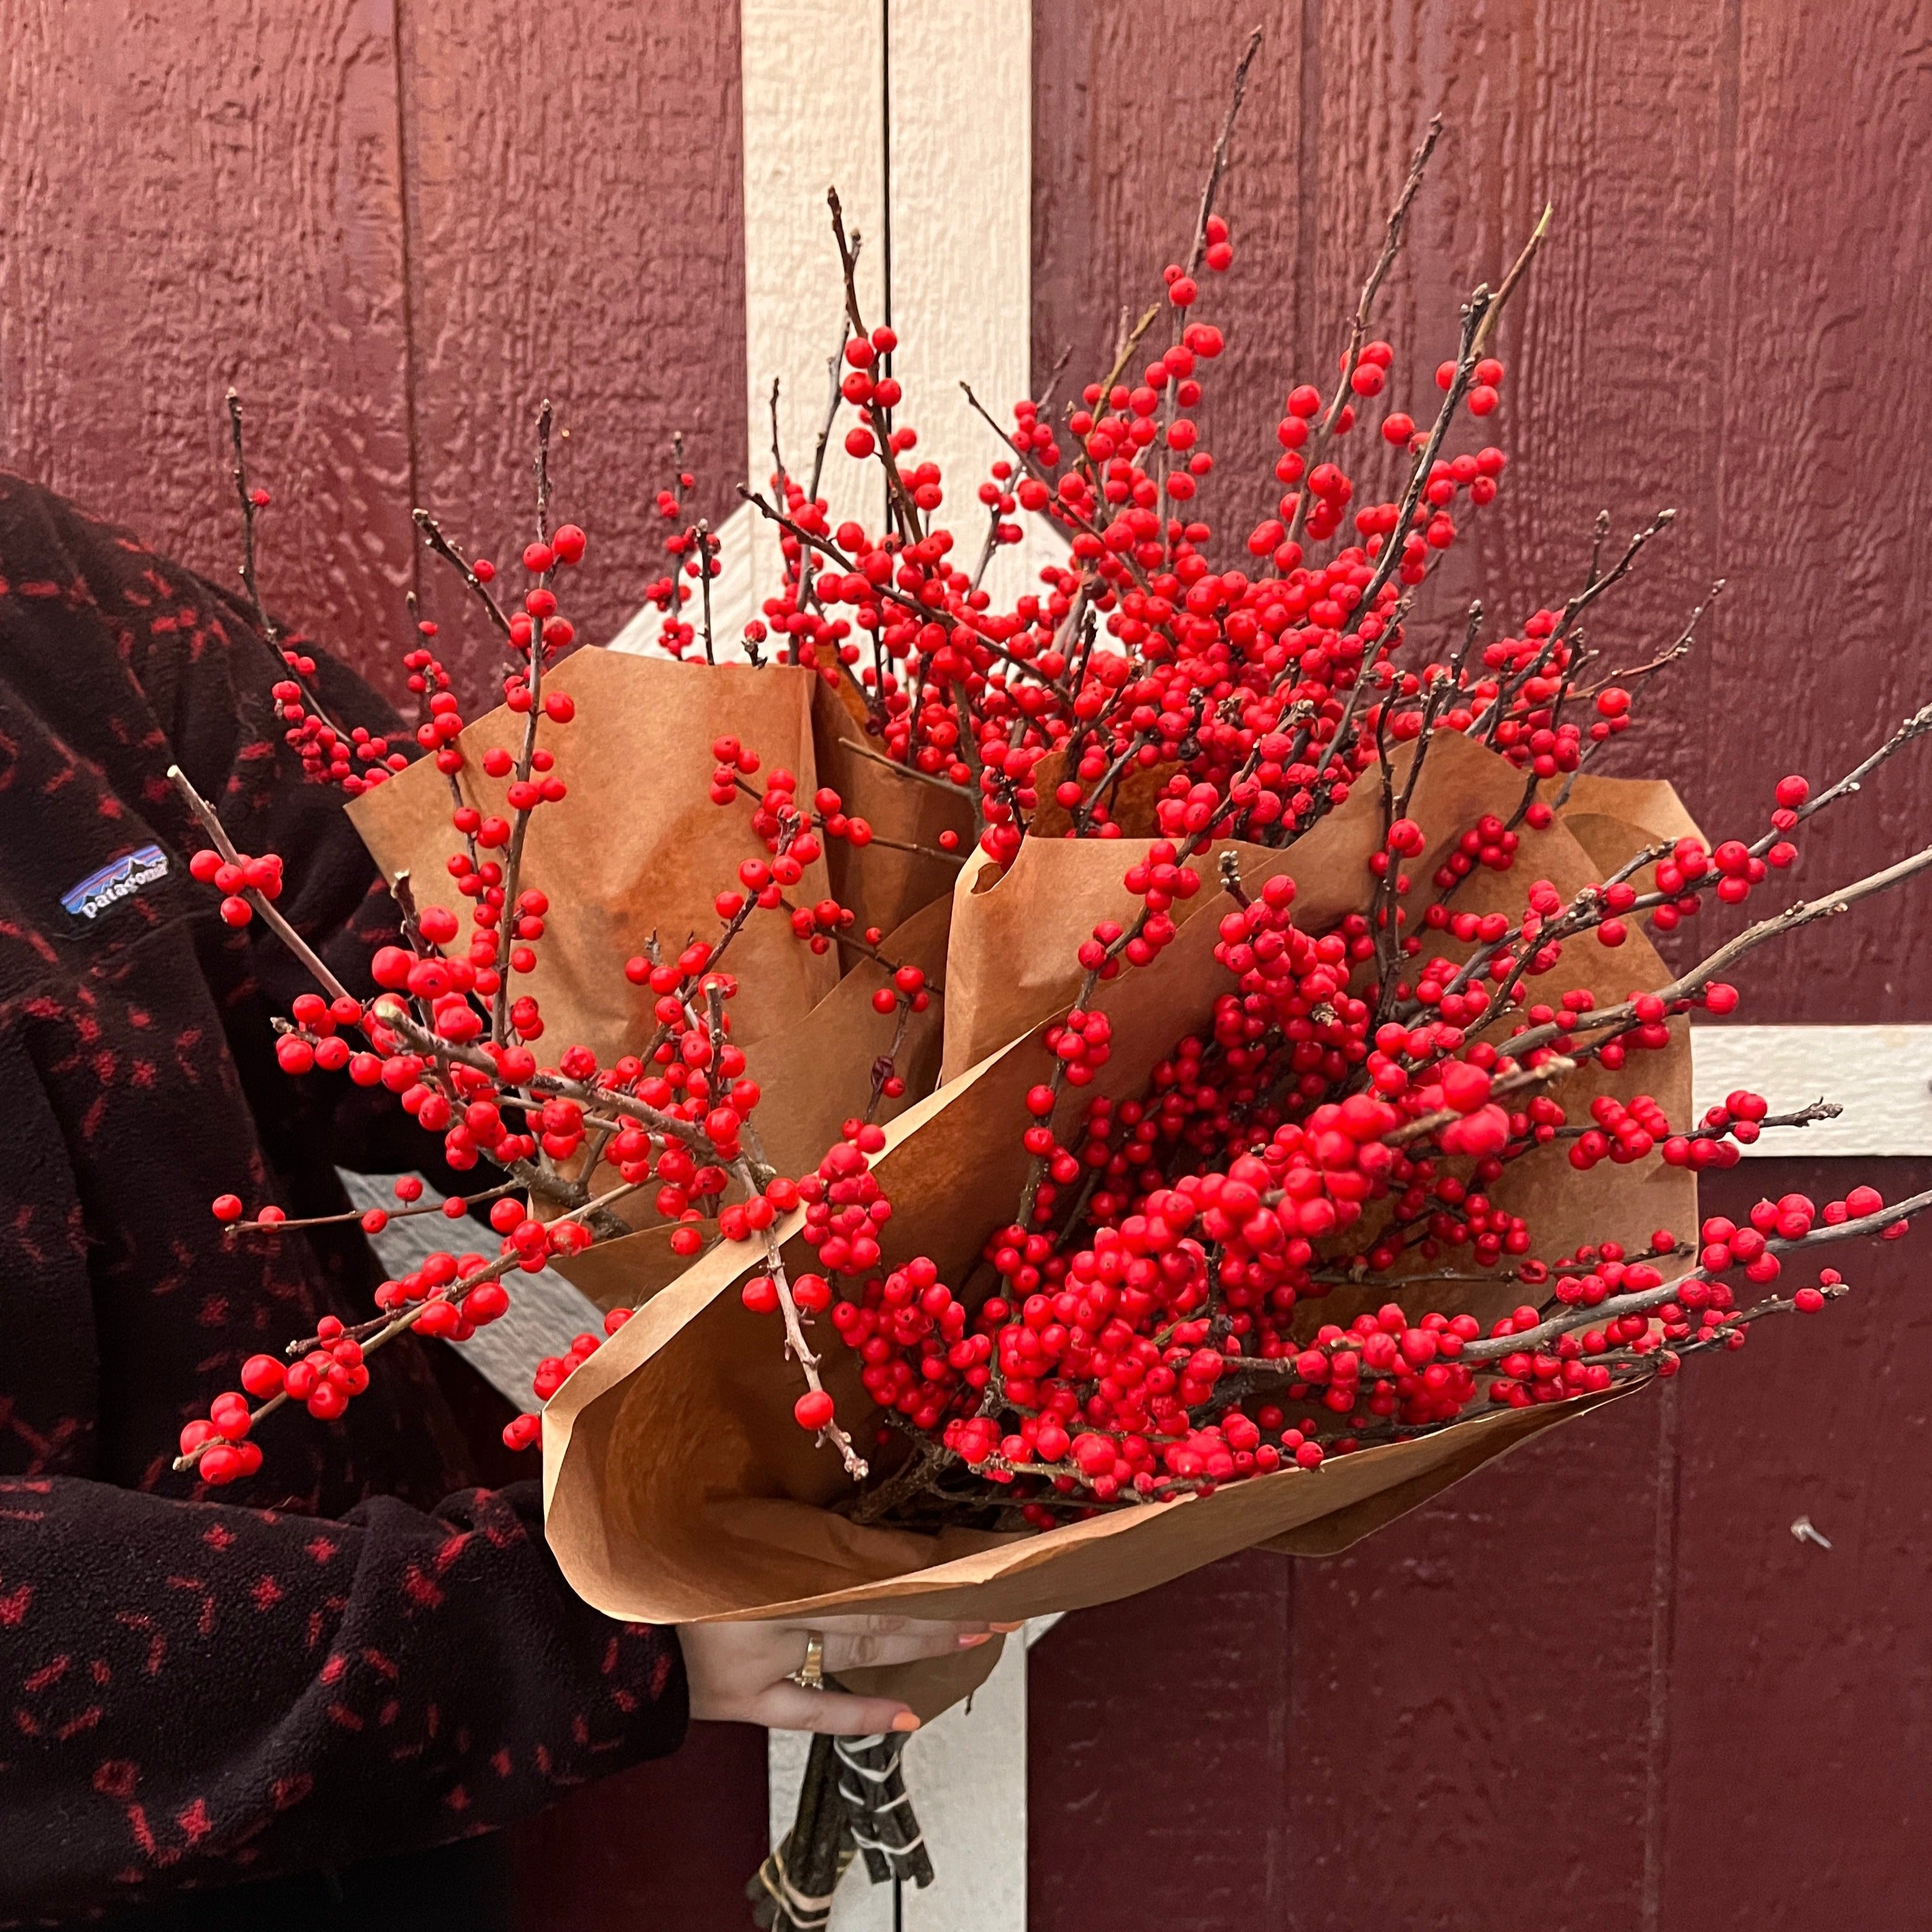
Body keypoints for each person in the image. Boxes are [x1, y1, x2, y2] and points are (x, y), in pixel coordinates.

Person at [0, 475, 982, 1927]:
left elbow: (399, 917)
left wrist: (883, 1184)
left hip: (392, 1833)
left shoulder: (40, 609)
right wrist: (569, 1638)